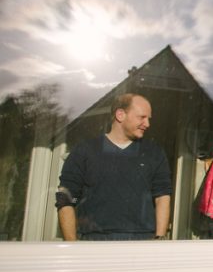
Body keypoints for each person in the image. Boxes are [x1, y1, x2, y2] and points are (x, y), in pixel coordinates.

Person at [55, 93, 172, 241]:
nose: (147, 124)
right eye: (142, 117)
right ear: (120, 115)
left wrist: (159, 239)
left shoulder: (154, 153)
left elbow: (162, 197)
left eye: (148, 119)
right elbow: (66, 198)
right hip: (94, 241)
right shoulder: (85, 151)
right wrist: (72, 245)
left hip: (142, 242)